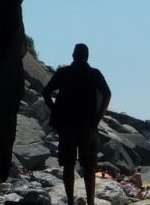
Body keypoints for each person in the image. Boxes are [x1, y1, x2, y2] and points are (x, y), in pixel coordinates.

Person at [42, 43, 112, 205]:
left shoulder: (63, 73)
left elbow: (46, 93)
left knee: (68, 165)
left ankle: (71, 203)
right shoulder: (94, 74)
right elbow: (107, 94)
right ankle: (90, 202)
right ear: (87, 56)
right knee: (89, 167)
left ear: (73, 55)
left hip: (66, 126)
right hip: (88, 126)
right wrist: (98, 118)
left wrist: (55, 110)